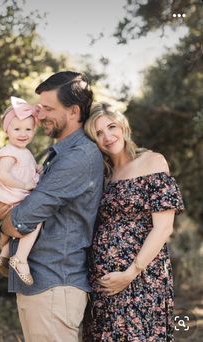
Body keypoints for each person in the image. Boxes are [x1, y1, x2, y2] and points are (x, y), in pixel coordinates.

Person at [0, 71, 104, 342]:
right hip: (44, 282)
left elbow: (26, 215)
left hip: (54, 283)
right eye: (39, 108)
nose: (39, 116)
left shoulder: (78, 157)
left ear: (74, 111)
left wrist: (4, 224)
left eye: (48, 109)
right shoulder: (59, 154)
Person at [83, 103, 184, 341]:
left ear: (123, 126)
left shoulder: (152, 161)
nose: (107, 136)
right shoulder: (103, 175)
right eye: (98, 133)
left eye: (111, 127)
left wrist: (130, 272)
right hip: (103, 285)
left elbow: (163, 227)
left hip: (142, 278)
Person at [0, 96, 42, 286]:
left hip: (16, 197)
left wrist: (37, 169)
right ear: (7, 130)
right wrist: (25, 185)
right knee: (35, 221)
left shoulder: (24, 152)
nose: (23, 133)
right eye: (17, 128)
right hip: (12, 195)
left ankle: (5, 253)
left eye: (28, 129)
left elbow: (28, 168)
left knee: (22, 225)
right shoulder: (9, 152)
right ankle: (20, 259)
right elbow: (3, 175)